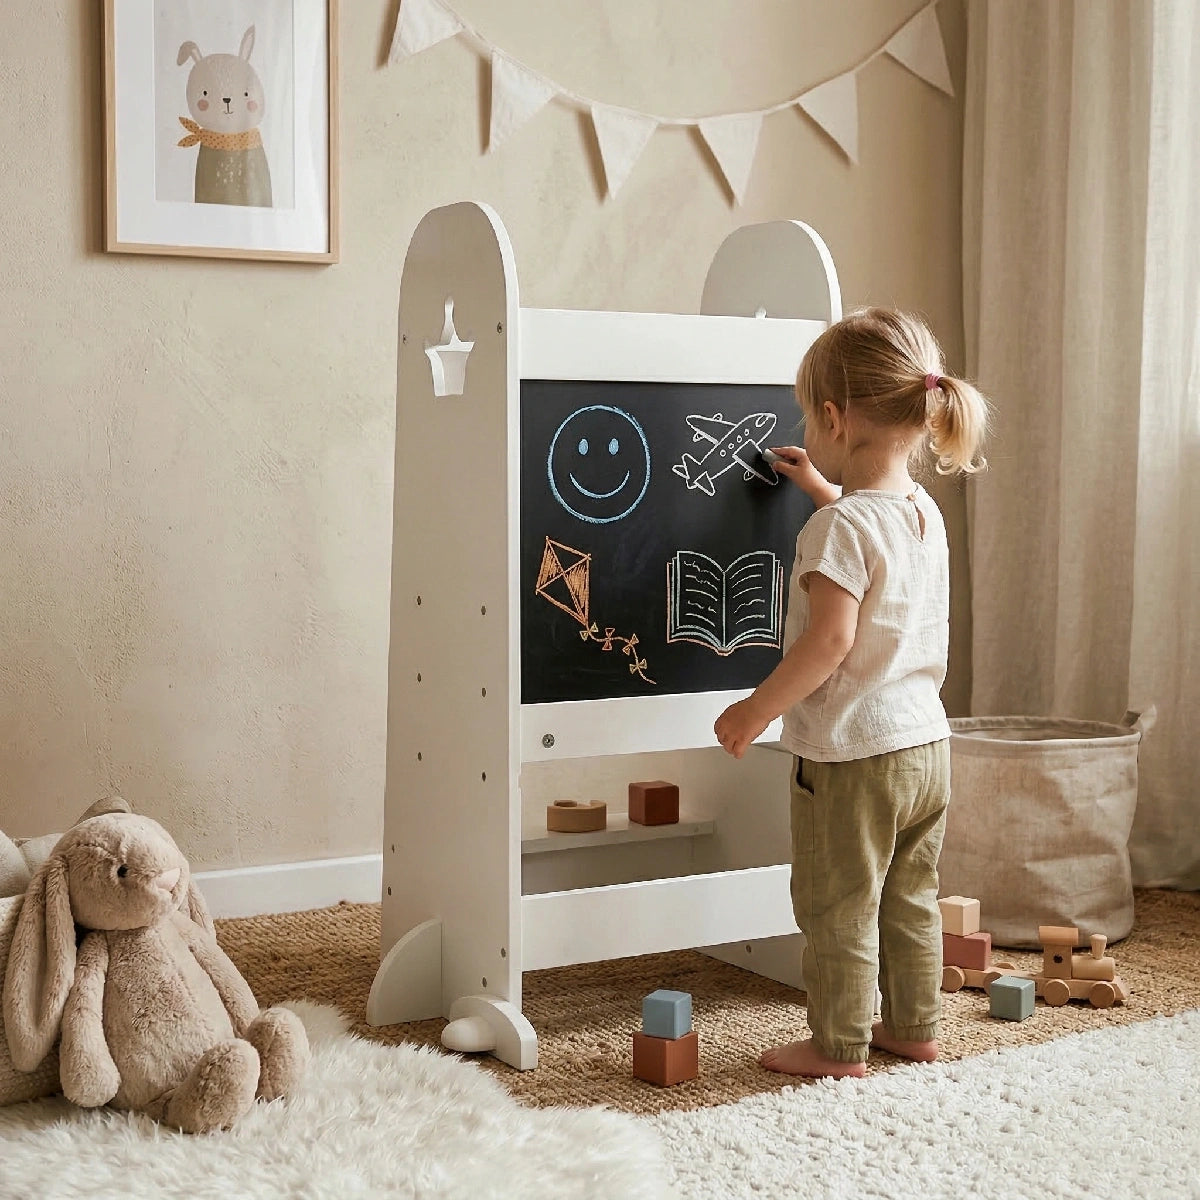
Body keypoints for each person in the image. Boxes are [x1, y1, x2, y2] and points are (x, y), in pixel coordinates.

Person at [714, 307, 989, 1079]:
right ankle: (914, 1026)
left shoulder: (836, 535)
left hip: (852, 758)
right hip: (925, 746)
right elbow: (872, 556)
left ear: (833, 417)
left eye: (810, 415)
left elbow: (830, 642)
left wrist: (755, 709)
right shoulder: (921, 513)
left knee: (840, 902)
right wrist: (819, 486)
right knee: (910, 896)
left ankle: (836, 1043)